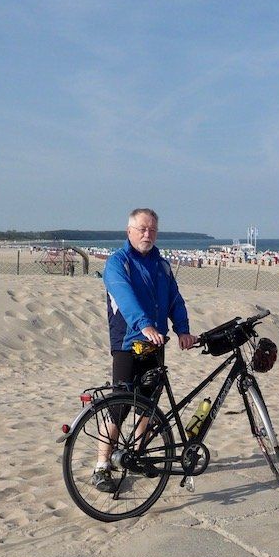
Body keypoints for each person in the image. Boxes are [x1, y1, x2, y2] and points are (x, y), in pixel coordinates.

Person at [94, 208, 196, 492]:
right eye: (142, 229)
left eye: (152, 229)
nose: (147, 234)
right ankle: (101, 466)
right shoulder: (118, 263)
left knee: (149, 405)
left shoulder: (162, 266)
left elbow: (174, 299)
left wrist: (183, 329)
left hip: (155, 343)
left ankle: (139, 455)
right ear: (129, 231)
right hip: (127, 343)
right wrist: (144, 324)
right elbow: (124, 297)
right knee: (119, 405)